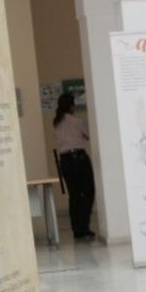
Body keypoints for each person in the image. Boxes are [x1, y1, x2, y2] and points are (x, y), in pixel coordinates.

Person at [53, 91, 97, 241]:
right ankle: (83, 227)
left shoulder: (56, 123)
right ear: (71, 106)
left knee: (74, 195)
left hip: (65, 160)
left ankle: (76, 230)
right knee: (88, 192)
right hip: (79, 158)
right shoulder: (77, 121)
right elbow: (88, 135)